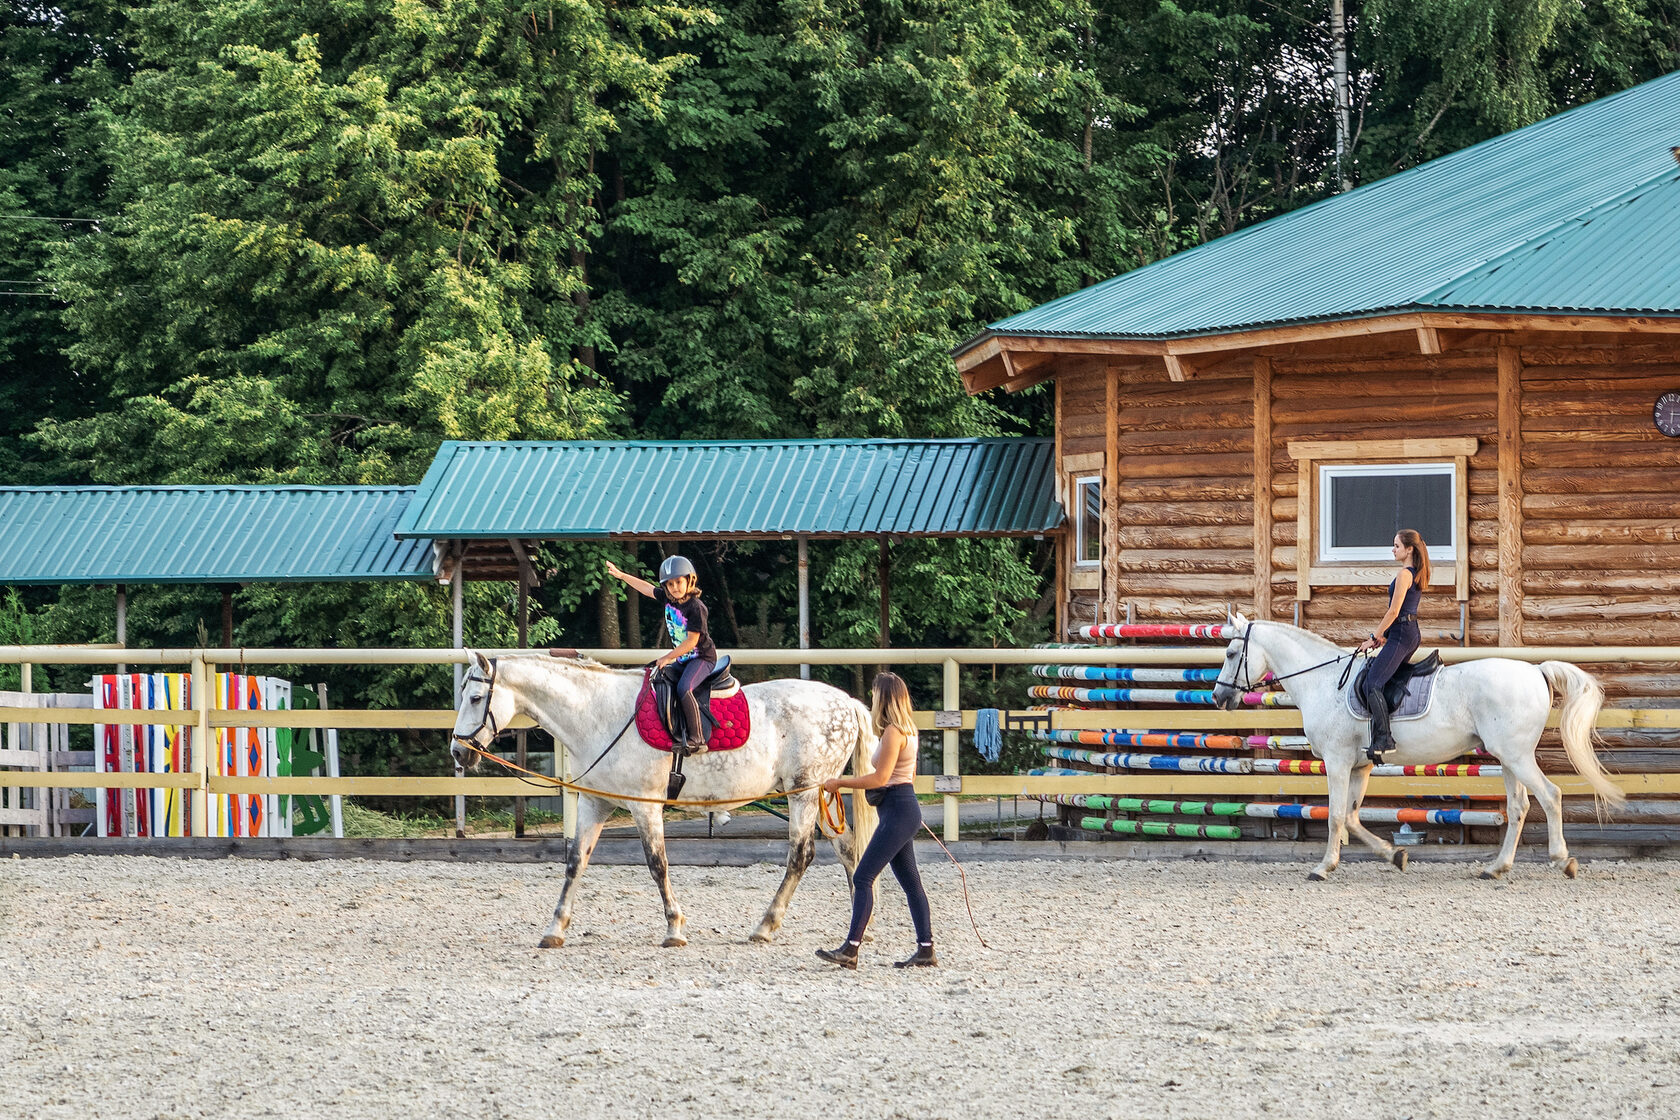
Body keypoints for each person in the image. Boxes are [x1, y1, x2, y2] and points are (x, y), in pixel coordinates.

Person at [815, 672, 936, 970]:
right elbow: (907, 776)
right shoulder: (908, 730)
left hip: (897, 812)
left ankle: (851, 949)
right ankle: (925, 948)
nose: (871, 699)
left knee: (863, 877)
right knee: (911, 883)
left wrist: (840, 782)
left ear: (883, 698)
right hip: (902, 808)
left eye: (874, 695)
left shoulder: (894, 733)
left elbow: (881, 778)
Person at [605, 555, 716, 754]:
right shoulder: (668, 598)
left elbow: (692, 642)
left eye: (679, 582)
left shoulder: (696, 608)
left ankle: (698, 738)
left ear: (690, 580)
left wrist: (668, 657)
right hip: (683, 658)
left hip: (701, 658)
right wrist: (622, 576)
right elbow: (647, 588)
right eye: (670, 584)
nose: (675, 587)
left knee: (684, 688)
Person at [1355, 529, 1430, 762]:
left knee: (1372, 683)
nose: (1393, 549)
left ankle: (1384, 738)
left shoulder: (1404, 574)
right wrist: (1384, 636)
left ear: (1409, 549)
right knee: (1383, 678)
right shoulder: (1415, 573)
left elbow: (1394, 611)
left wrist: (1374, 636)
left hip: (1402, 635)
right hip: (1406, 633)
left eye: (1396, 545)